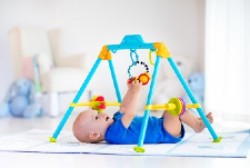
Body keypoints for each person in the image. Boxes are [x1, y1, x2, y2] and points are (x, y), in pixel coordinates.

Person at [72, 80, 213, 144]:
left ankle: (198, 122)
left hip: (160, 124)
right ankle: (197, 125)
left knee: (173, 107)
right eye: (97, 117)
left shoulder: (114, 121)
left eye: (98, 112)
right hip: (165, 132)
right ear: (95, 134)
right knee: (175, 106)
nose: (102, 114)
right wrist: (138, 93)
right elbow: (130, 114)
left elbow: (124, 107)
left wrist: (130, 90)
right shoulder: (114, 133)